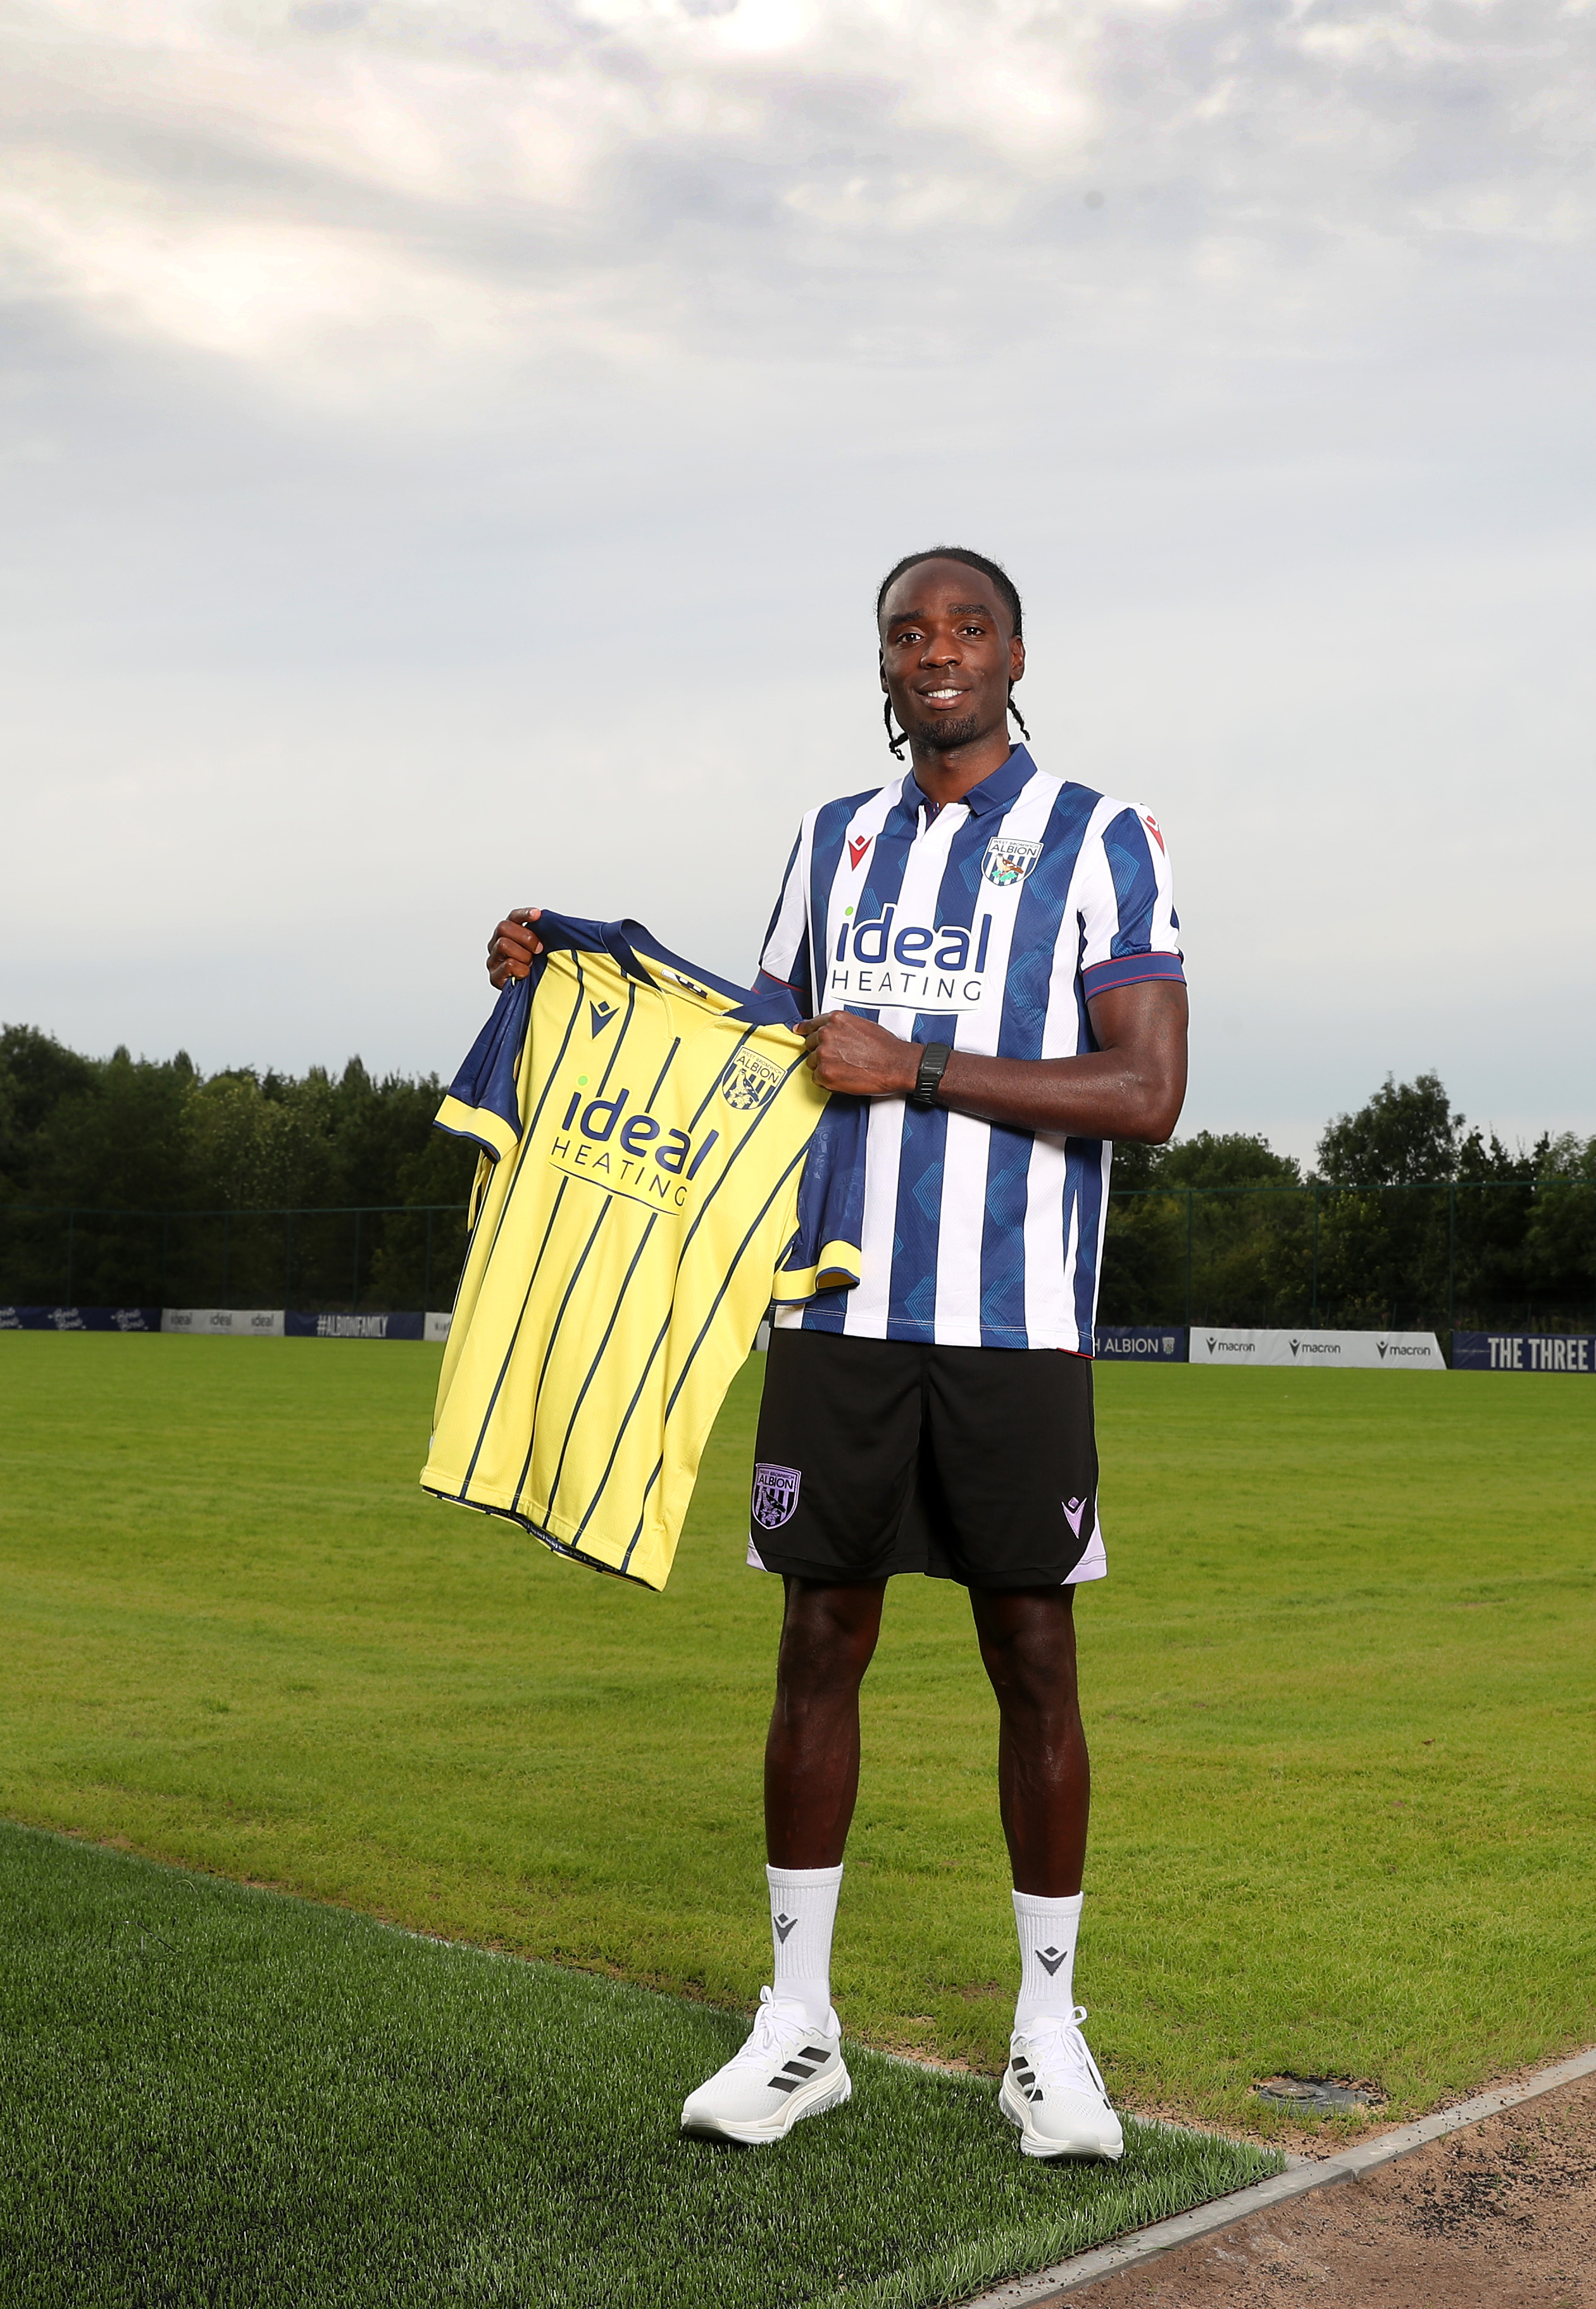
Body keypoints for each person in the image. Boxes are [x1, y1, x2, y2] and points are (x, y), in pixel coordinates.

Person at [482, 546, 1188, 2161]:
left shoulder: (1106, 837)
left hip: (1012, 1324)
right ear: (882, 665)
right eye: (907, 632)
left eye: (967, 628)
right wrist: (567, 985)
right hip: (840, 1311)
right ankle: (798, 2029)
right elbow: (764, 1053)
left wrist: (921, 1067)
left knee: (1035, 1658)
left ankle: (1047, 2038)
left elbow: (1146, 1094)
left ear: (1018, 654)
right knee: (817, 1649)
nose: (937, 652)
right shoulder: (833, 840)